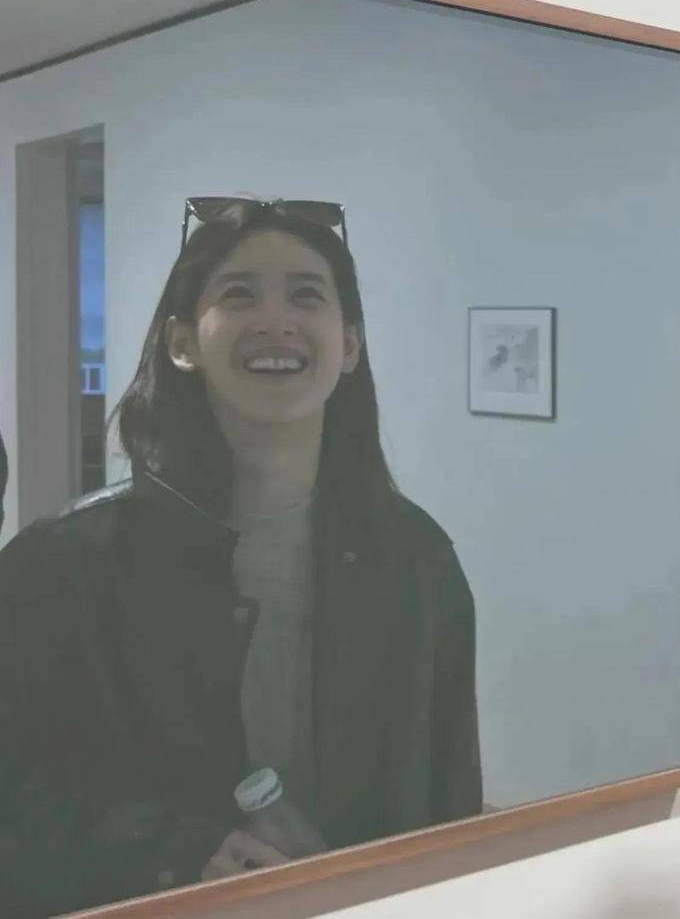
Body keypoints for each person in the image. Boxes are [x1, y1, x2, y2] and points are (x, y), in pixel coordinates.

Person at [0, 197, 482, 918]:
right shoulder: (62, 565)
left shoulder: (416, 560)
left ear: (349, 347)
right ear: (182, 343)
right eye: (239, 295)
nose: (276, 321)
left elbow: (451, 801)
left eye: (307, 296)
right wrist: (175, 851)